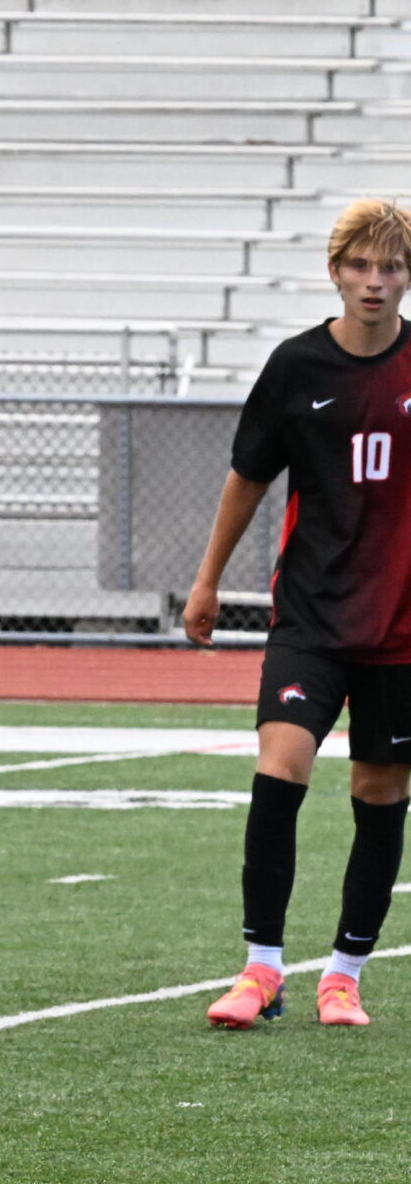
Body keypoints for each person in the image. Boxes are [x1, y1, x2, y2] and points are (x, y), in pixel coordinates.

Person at [185, 197, 411, 1031]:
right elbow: (247, 476)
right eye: (361, 266)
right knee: (279, 771)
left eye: (391, 267)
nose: (376, 282)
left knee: (380, 794)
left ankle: (344, 975)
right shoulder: (295, 367)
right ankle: (263, 969)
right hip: (309, 617)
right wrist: (207, 581)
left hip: (401, 629)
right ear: (336, 271)